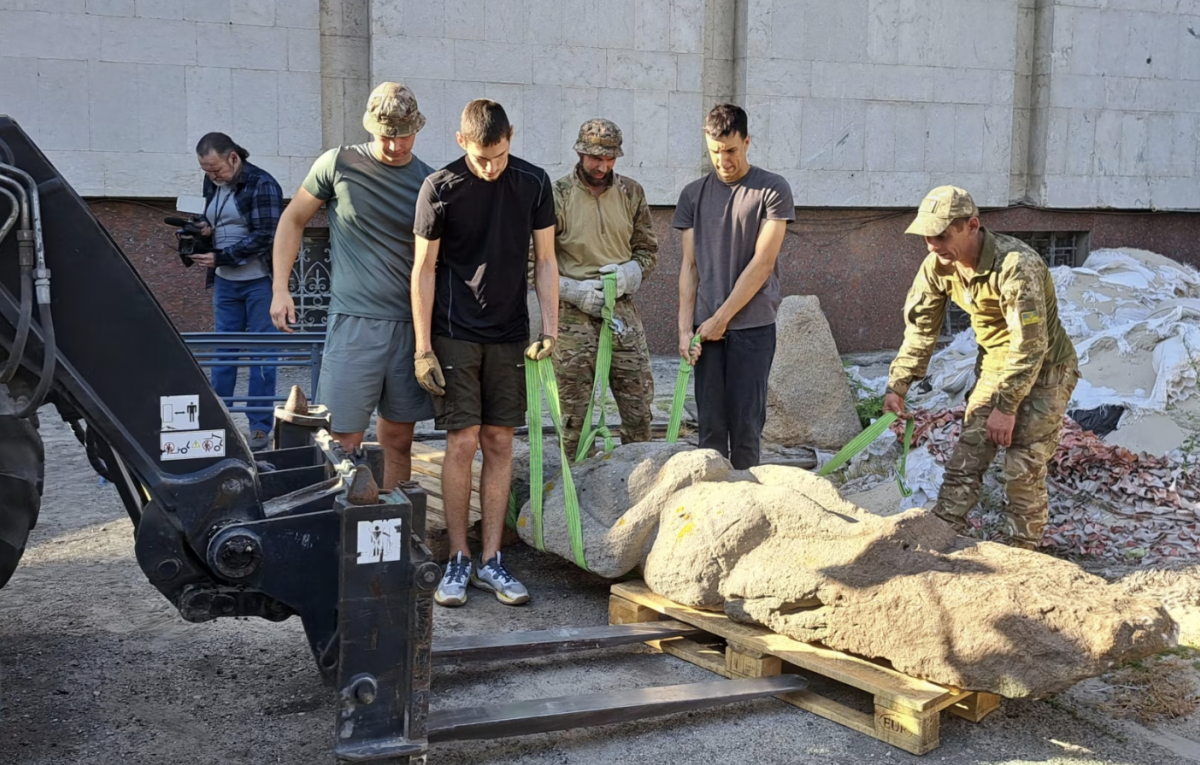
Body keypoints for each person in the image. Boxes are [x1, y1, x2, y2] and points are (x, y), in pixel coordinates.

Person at [412, 99, 558, 608]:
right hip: (453, 330)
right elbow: (424, 269)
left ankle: (492, 559)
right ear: (460, 142)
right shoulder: (438, 187)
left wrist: (552, 329)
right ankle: (457, 557)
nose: (490, 166)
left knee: (499, 441)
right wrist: (422, 347)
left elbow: (545, 260)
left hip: (510, 331)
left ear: (511, 137)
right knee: (461, 441)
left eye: (497, 155)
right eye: (480, 157)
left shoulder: (534, 183)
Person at [883, 186, 1079, 550]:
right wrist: (899, 384)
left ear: (971, 225)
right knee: (967, 459)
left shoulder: (1016, 265)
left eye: (942, 236)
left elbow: (1030, 344)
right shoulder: (937, 267)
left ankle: (1022, 556)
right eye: (927, 237)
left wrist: (1007, 409)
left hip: (1047, 369)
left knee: (1021, 469)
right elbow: (922, 327)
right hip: (996, 367)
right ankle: (938, 539)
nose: (933, 246)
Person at [270, 82, 434, 491]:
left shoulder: (429, 182)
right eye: (386, 136)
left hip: (409, 324)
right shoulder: (337, 163)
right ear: (370, 128)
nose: (395, 145)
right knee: (342, 438)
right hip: (354, 322)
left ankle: (396, 526)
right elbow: (292, 220)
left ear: (417, 128)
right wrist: (280, 287)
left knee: (399, 438)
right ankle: (338, 528)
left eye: (403, 135)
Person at [673, 103, 794, 470]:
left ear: (746, 141)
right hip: (705, 331)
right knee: (709, 432)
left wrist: (721, 319)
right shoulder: (692, 195)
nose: (723, 160)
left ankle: (748, 510)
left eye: (731, 151)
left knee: (746, 431)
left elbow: (762, 264)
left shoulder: (772, 189)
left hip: (752, 327)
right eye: (714, 151)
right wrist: (684, 329)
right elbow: (689, 268)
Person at [553, 118, 658, 458]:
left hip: (621, 309)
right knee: (574, 417)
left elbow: (647, 251)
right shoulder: (557, 195)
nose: (602, 166)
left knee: (638, 406)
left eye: (609, 158)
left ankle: (641, 478)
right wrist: (571, 290)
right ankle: (573, 496)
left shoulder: (631, 192)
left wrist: (632, 272)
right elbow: (531, 262)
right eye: (595, 158)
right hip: (572, 314)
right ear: (580, 152)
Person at [193, 132, 283, 451]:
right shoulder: (212, 182)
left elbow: (265, 236)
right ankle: (220, 423)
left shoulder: (262, 183)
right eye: (206, 170)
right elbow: (214, 217)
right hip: (225, 280)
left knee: (263, 353)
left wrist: (222, 256)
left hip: (259, 280)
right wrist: (204, 229)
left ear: (234, 157)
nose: (212, 176)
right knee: (223, 352)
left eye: (216, 169)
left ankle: (260, 426)